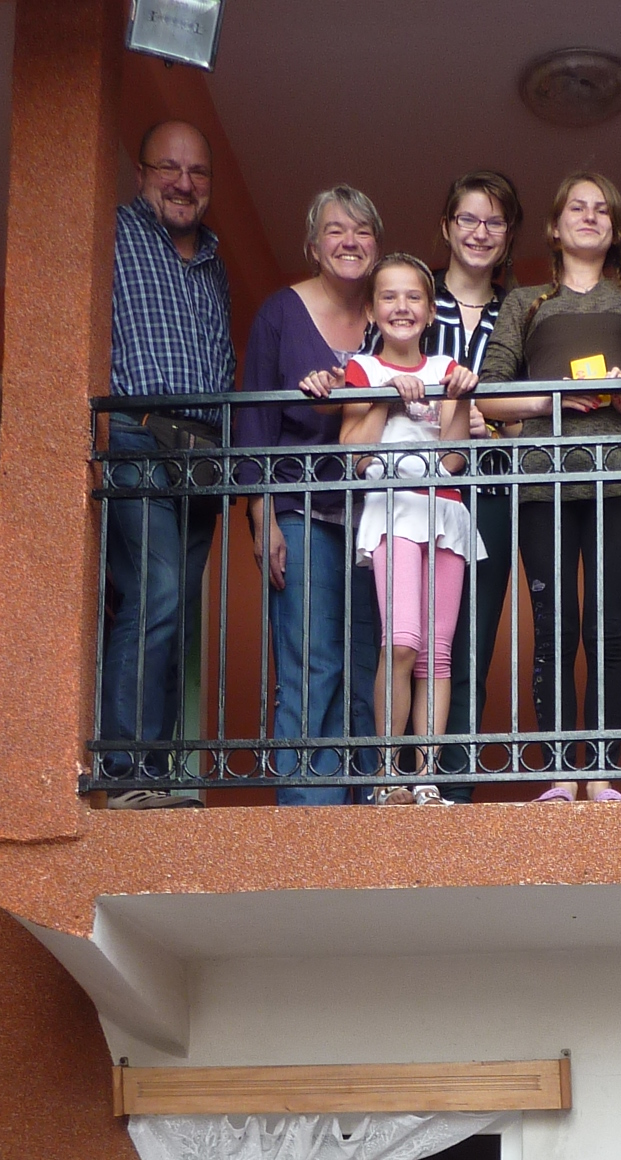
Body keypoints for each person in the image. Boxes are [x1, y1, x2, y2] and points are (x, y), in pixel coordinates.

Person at [480, 175, 621, 803]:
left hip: (619, 479)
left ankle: (602, 774)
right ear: (555, 226)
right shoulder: (526, 301)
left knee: (608, 629)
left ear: (614, 229)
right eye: (576, 208)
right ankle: (562, 773)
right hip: (543, 481)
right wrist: (552, 398)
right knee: (555, 628)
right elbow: (488, 395)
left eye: (601, 210)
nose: (589, 217)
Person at [102, 120, 235, 807]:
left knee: (177, 609)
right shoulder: (113, 235)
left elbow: (223, 363)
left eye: (198, 172)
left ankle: (156, 771)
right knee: (154, 593)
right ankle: (125, 770)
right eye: (169, 168)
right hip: (138, 439)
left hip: (201, 457)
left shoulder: (214, 261)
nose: (184, 183)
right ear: (141, 174)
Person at [238, 188, 386, 805]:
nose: (349, 241)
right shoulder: (281, 312)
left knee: (366, 668)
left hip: (377, 518)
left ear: (377, 245)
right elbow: (254, 423)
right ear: (313, 244)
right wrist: (262, 516)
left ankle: (362, 815)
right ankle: (308, 817)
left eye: (362, 230)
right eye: (335, 230)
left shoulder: (392, 312)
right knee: (311, 662)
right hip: (301, 510)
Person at [339, 256, 480, 804]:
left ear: (430, 310)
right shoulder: (362, 369)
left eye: (414, 297)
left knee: (436, 653)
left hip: (444, 512)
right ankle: (385, 776)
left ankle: (425, 779)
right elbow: (354, 454)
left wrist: (459, 397)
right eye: (389, 297)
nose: (402, 307)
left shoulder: (447, 368)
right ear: (372, 310)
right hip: (392, 509)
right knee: (400, 642)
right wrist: (386, 396)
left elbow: (453, 461)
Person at [426, 171, 523, 802]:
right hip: (419, 494)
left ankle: (452, 792)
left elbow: (537, 410)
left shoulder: (521, 310)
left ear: (508, 234)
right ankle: (403, 782)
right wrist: (450, 421)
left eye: (493, 222)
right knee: (408, 639)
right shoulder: (412, 296)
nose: (479, 233)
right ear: (446, 227)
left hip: (491, 497)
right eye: (468, 219)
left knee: (470, 646)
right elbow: (380, 383)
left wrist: (503, 423)